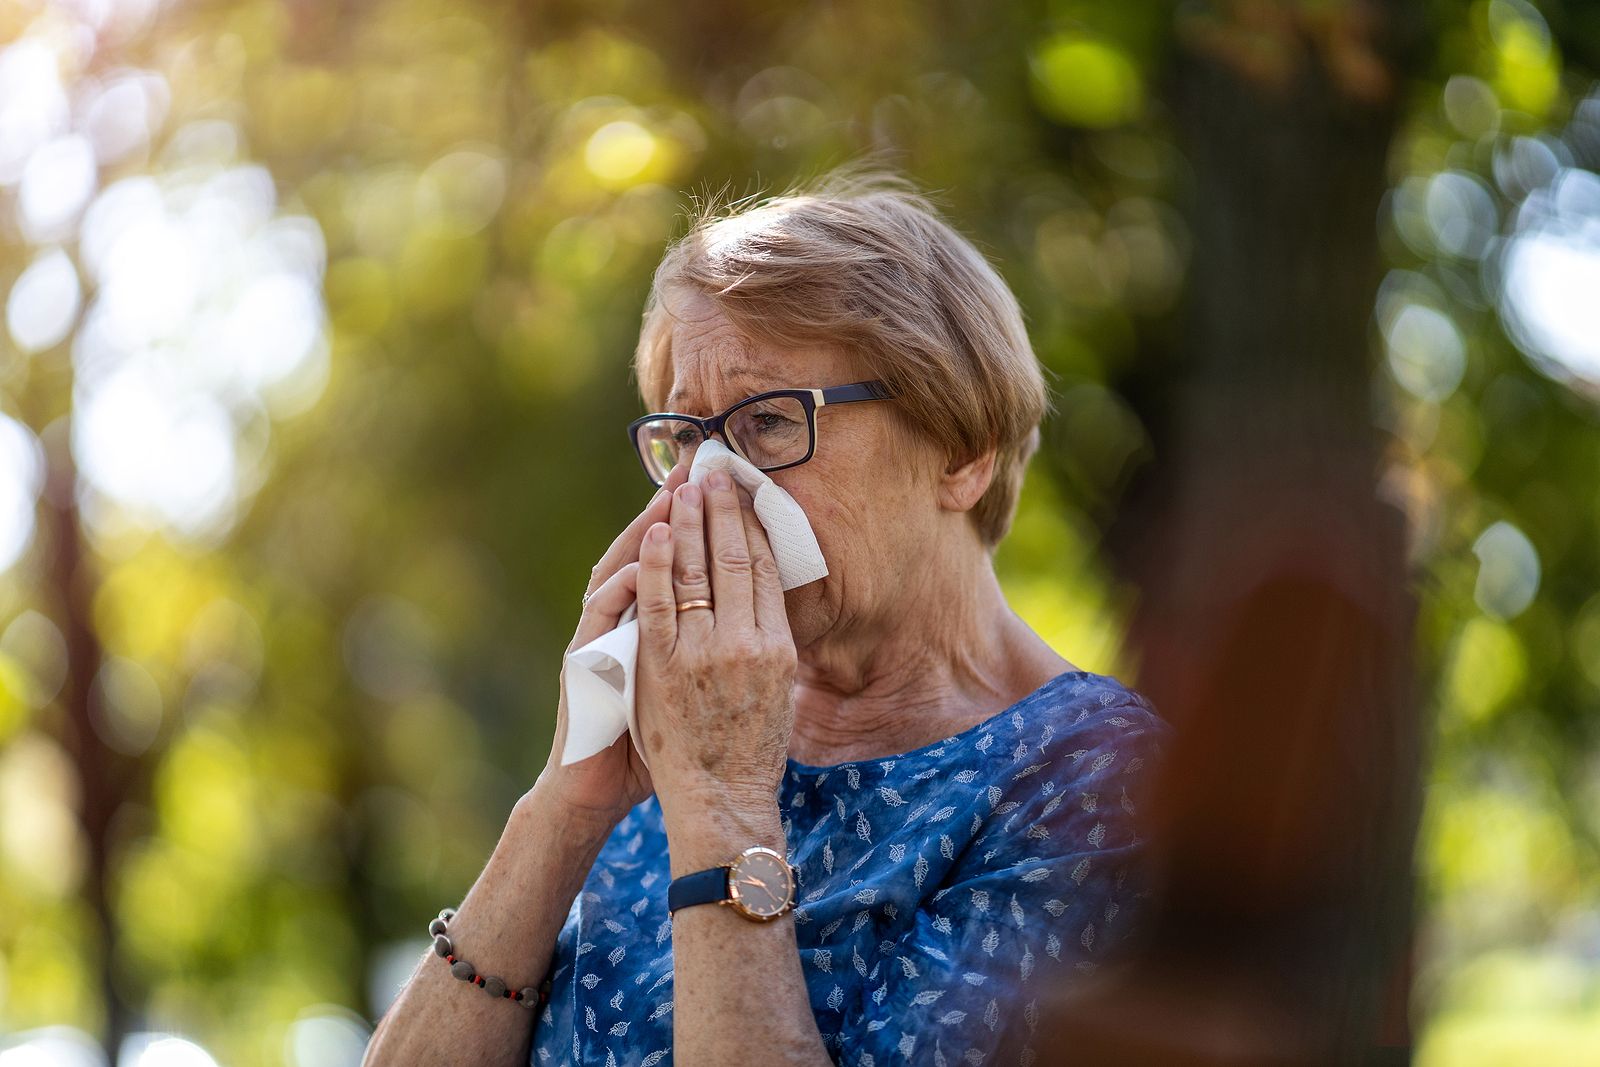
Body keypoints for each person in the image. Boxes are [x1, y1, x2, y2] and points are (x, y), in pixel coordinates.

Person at [363, 165, 1173, 1067]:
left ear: (962, 449)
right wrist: (564, 802)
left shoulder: (1095, 783)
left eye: (769, 422)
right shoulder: (665, 749)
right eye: (686, 437)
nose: (709, 487)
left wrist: (720, 800)